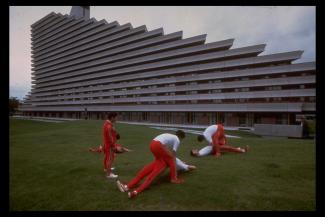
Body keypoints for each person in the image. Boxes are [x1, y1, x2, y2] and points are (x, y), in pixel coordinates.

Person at [116, 130, 186, 198]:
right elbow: (173, 154)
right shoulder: (177, 139)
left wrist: (171, 158)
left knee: (142, 174)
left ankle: (127, 187)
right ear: (181, 137)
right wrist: (174, 162)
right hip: (158, 147)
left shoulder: (170, 136)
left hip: (153, 144)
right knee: (150, 177)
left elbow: (166, 150)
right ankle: (173, 178)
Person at [102, 112, 119, 179]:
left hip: (108, 144)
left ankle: (106, 168)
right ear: (112, 117)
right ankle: (109, 174)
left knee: (108, 157)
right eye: (116, 117)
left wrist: (116, 134)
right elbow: (109, 137)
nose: (116, 119)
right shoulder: (108, 126)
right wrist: (113, 145)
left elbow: (112, 134)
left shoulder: (108, 124)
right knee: (109, 159)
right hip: (110, 145)